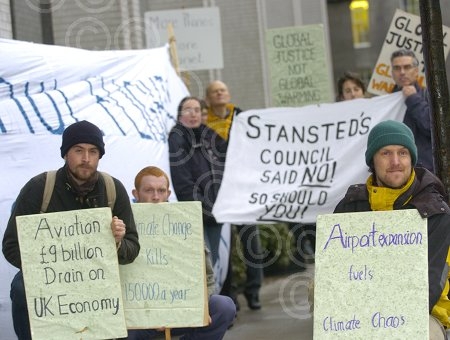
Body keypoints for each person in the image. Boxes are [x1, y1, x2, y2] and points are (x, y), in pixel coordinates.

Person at [2, 120, 140, 340]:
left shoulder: (113, 189)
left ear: (100, 156)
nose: (86, 159)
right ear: (66, 154)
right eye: (78, 151)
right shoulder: (39, 187)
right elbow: (11, 245)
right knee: (20, 287)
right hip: (48, 283)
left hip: (98, 282)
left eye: (93, 151)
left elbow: (133, 247)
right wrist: (50, 272)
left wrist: (118, 241)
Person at [334, 120, 450, 339]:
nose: (395, 161)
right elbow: (337, 274)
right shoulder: (349, 207)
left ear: (411, 159)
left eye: (403, 153)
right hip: (358, 315)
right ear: (372, 161)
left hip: (425, 315)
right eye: (386, 153)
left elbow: (430, 286)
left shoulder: (435, 212)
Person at [126, 166, 236, 340]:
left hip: (182, 311)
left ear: (168, 194)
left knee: (224, 306)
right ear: (136, 193)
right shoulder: (124, 224)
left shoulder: (185, 223)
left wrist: (200, 307)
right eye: (149, 190)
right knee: (121, 328)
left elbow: (207, 277)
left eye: (161, 191)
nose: (156, 197)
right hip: (140, 316)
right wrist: (147, 315)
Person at [205, 80, 264, 310]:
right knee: (223, 245)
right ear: (208, 99)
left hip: (243, 189)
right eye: (215, 91)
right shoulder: (203, 122)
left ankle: (254, 290)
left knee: (251, 241)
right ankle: (230, 295)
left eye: (223, 89)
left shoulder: (241, 118)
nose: (220, 93)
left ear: (228, 94)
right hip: (217, 192)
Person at [168, 96, 227, 272]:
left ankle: (211, 299)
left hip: (216, 214)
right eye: (188, 110)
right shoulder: (177, 138)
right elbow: (183, 183)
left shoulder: (209, 135)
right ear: (179, 116)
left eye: (197, 110)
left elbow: (228, 160)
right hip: (197, 215)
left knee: (213, 263)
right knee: (202, 266)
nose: (193, 114)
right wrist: (207, 208)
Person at [390, 49, 434, 173]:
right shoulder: (385, 105)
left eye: (407, 67)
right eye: (397, 68)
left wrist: (413, 99)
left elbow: (432, 128)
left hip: (426, 174)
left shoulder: (430, 97)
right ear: (392, 73)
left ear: (416, 71)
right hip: (397, 173)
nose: (402, 72)